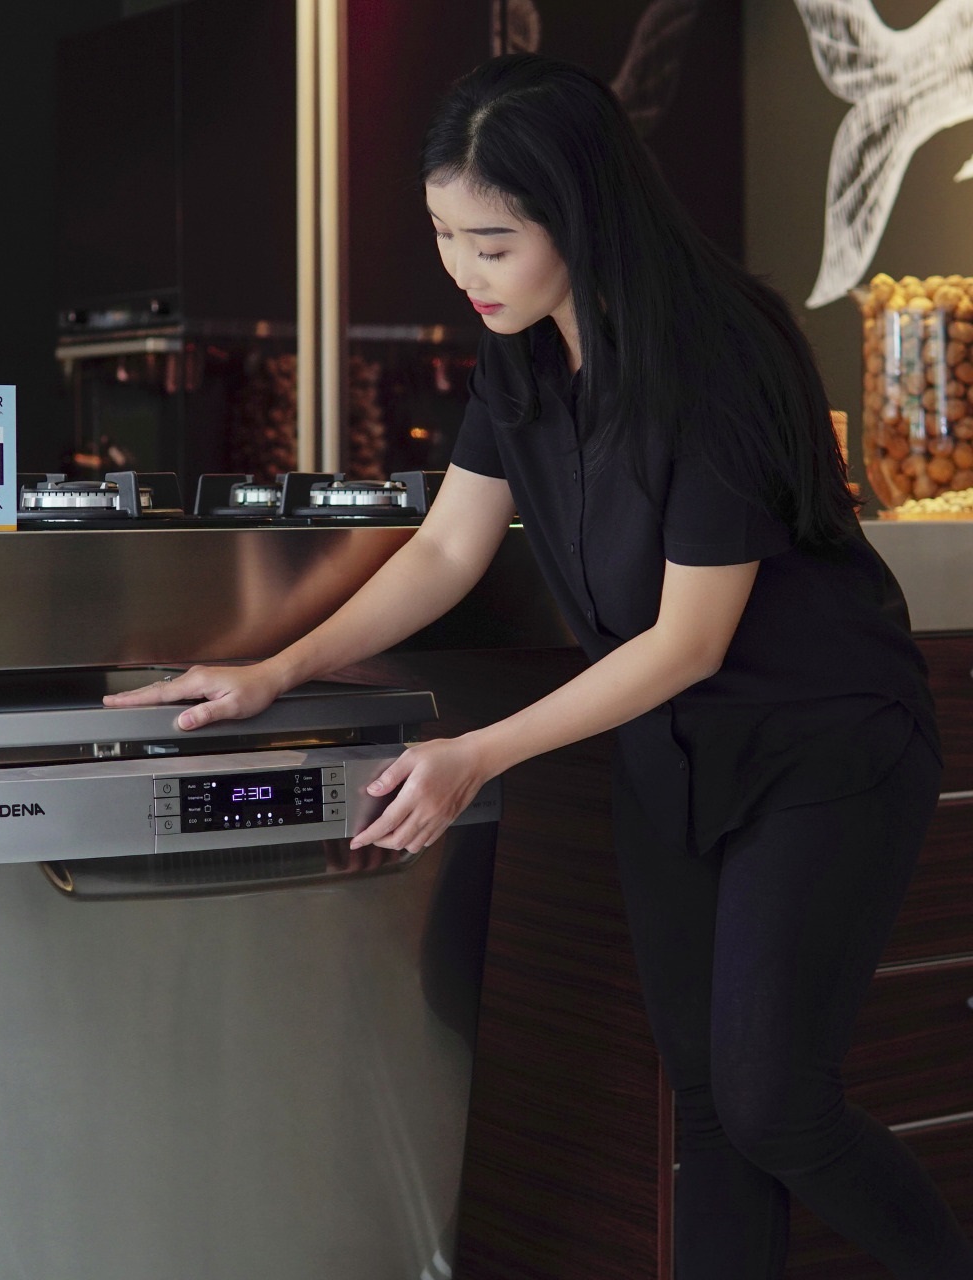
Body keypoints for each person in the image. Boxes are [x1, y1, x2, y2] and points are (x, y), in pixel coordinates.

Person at [103, 54, 973, 1279]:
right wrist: (274, 667)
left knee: (773, 1100)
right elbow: (446, 549)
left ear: (580, 216)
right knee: (708, 1108)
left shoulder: (714, 353)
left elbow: (688, 637)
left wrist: (477, 754)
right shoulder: (518, 353)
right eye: (444, 235)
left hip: (819, 749)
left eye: (492, 242)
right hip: (672, 750)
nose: (463, 270)